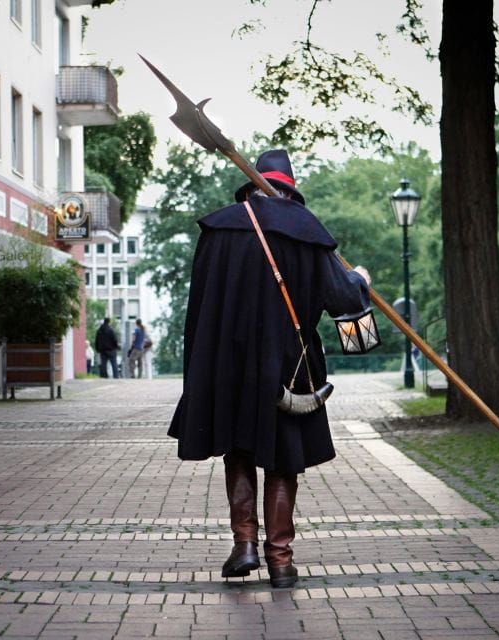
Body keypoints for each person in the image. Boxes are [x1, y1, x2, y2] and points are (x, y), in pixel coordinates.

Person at [168, 149, 371, 589]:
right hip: (289, 368)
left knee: (238, 451)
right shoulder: (307, 231)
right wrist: (362, 281)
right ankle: (280, 561)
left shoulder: (220, 228)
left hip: (228, 365)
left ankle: (244, 546)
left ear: (252, 185)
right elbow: (344, 303)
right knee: (283, 461)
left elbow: (199, 306)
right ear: (291, 191)